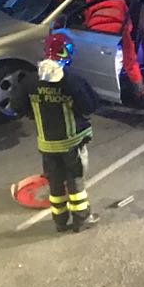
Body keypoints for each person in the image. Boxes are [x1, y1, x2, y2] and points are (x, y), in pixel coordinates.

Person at [9, 31, 100, 232]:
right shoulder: (71, 81)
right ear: (66, 52)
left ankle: (60, 222)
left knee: (56, 183)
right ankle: (82, 219)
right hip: (71, 142)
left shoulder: (30, 81)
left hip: (47, 144)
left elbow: (17, 106)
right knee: (75, 182)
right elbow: (90, 105)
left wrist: (35, 113)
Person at [79, 0, 144, 101]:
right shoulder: (119, 0)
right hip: (118, 34)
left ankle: (105, 94)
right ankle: (140, 91)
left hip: (98, 36)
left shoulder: (89, 2)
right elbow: (128, 24)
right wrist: (128, 34)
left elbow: (87, 23)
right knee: (131, 63)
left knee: (100, 66)